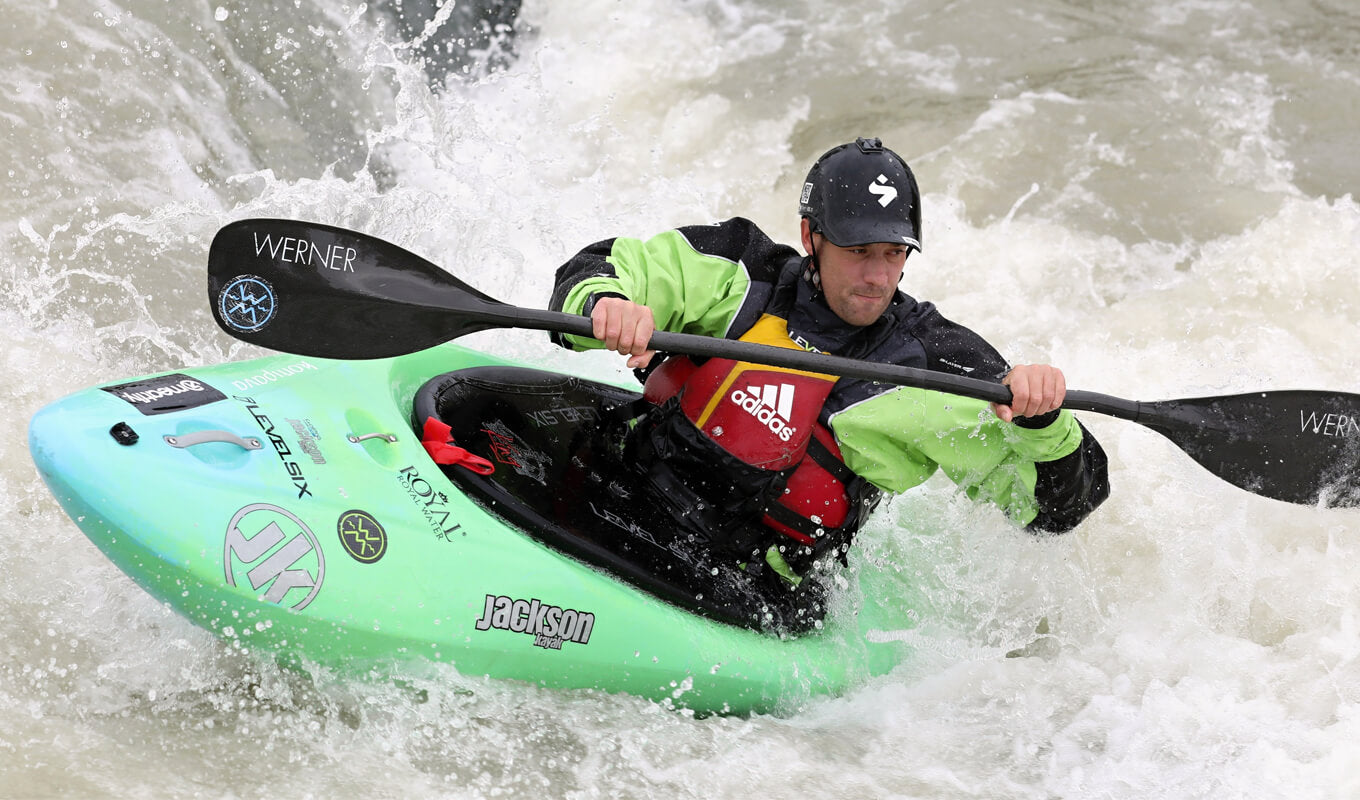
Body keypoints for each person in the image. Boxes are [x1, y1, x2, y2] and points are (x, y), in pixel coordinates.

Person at [549, 137, 1108, 586]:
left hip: (748, 586)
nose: (877, 275)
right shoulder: (745, 272)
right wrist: (607, 304)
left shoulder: (932, 363)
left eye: (894, 253)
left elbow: (1054, 512)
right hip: (626, 485)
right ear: (810, 238)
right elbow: (603, 266)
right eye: (859, 251)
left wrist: (1044, 420)